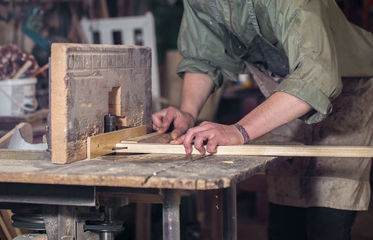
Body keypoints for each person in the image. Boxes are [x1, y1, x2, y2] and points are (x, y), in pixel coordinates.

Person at [152, 0, 373, 239]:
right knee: (285, 218)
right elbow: (203, 58)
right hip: (286, 93)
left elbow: (317, 77)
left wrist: (239, 131)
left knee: (327, 217)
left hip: (348, 87)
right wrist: (188, 112)